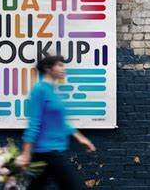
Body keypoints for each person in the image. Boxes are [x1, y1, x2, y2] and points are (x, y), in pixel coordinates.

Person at [15, 55, 96, 189]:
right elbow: (34, 123)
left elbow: (62, 123)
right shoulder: (39, 90)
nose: (63, 68)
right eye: (59, 65)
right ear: (48, 68)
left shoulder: (52, 91)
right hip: (47, 151)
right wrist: (26, 153)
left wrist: (81, 139)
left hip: (52, 151)